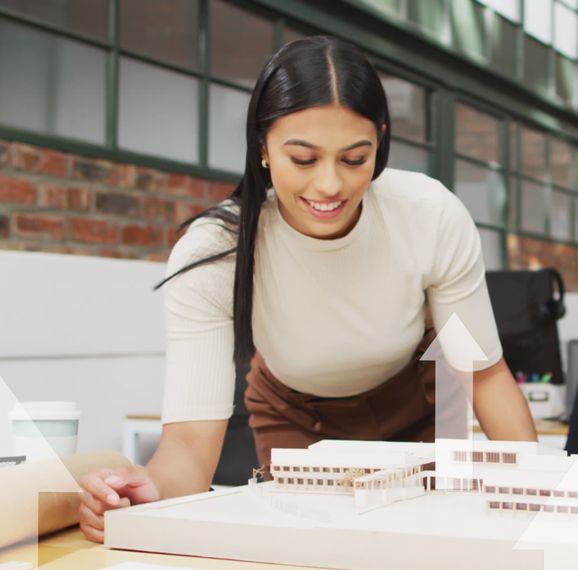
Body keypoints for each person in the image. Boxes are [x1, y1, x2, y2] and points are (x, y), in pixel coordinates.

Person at [77, 36, 536, 542]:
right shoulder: (214, 253)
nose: (329, 186)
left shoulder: (429, 215)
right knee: (311, 547)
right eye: (304, 159)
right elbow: (188, 446)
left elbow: (484, 375)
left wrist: (539, 496)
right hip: (298, 419)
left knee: (425, 545)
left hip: (421, 406)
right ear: (263, 147)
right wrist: (148, 491)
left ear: (380, 140)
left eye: (355, 159)